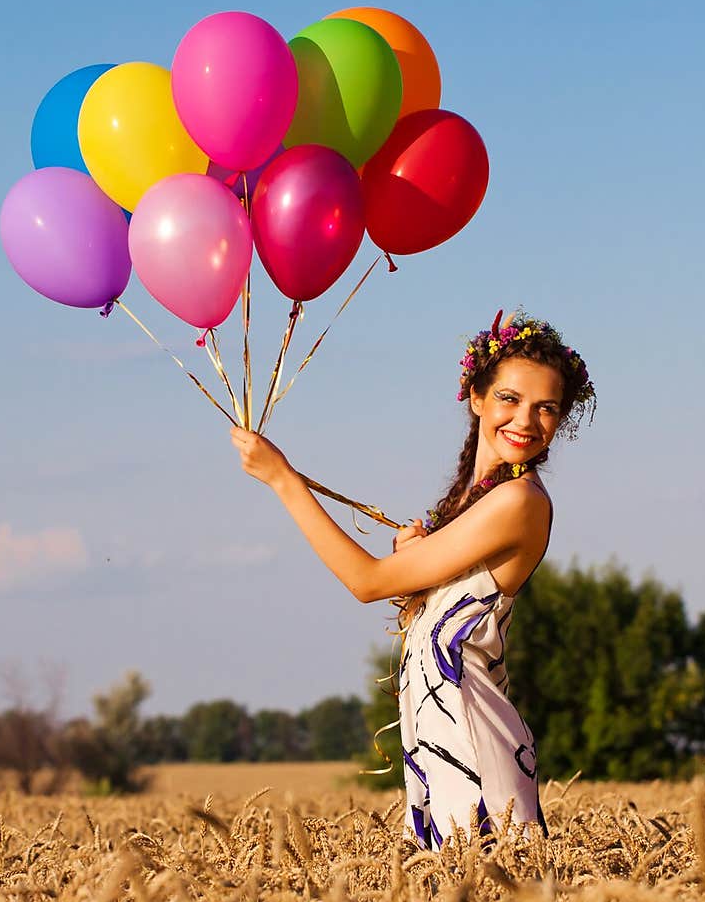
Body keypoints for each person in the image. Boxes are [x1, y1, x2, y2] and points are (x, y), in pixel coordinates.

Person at [230, 310, 595, 851]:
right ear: (476, 397)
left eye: (547, 408)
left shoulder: (518, 502)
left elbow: (366, 582)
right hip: (439, 736)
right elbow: (438, 621)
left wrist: (283, 480)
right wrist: (417, 569)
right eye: (510, 399)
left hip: (471, 740)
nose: (527, 420)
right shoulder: (481, 503)